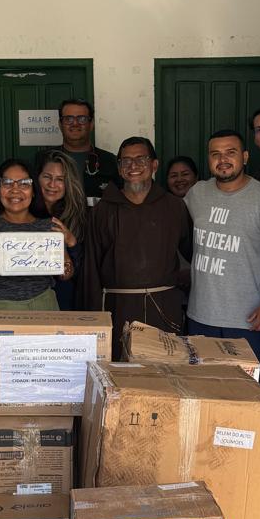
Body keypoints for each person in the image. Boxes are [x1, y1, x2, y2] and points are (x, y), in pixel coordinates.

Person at [80, 137, 192, 357]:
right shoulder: (103, 210)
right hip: (116, 308)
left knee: (163, 369)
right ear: (119, 168)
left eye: (141, 159)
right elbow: (91, 267)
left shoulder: (174, 207)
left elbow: (193, 254)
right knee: (120, 370)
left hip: (164, 308)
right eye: (126, 161)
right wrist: (92, 319)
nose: (133, 166)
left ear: (154, 165)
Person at [184, 130, 260, 384]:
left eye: (230, 152)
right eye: (215, 154)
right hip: (200, 316)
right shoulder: (197, 194)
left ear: (245, 157)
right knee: (203, 391)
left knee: (248, 395)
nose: (222, 159)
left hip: (247, 321)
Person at [0, 159, 75, 316]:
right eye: (7, 183)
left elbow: (66, 272)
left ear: (33, 191)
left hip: (44, 304)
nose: (15, 190)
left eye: (24, 183)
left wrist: (65, 268)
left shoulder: (49, 225)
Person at [38, 150, 88, 310]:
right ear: (37, 177)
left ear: (69, 183)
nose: (52, 184)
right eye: (47, 177)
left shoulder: (80, 216)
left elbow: (86, 272)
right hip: (29, 303)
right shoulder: (24, 213)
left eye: (60, 179)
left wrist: (71, 241)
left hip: (66, 304)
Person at [48, 97, 119, 204]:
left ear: (91, 124)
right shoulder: (44, 160)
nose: (75, 124)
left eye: (82, 119)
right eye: (68, 119)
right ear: (60, 124)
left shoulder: (110, 161)